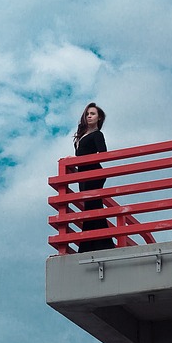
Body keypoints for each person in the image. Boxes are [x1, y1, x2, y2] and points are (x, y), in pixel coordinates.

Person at [73, 103, 114, 252]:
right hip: (83, 175)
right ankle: (98, 243)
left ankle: (94, 245)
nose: (89, 116)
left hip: (93, 173)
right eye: (87, 114)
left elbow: (103, 153)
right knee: (89, 208)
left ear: (99, 118)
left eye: (93, 114)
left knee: (93, 206)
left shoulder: (97, 134)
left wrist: (85, 159)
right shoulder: (81, 135)